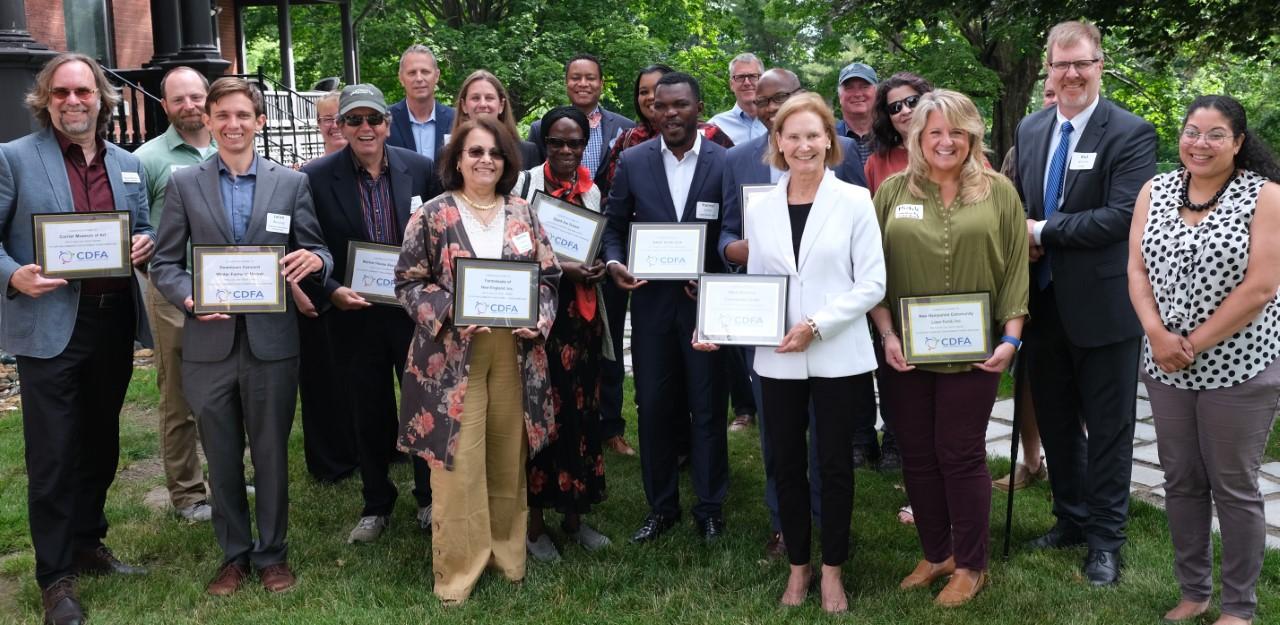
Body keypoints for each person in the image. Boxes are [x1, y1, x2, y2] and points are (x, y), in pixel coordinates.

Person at [700, 92, 885, 612]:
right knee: (783, 463)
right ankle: (798, 568)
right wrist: (721, 326)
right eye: (793, 136)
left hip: (836, 353)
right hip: (776, 357)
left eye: (813, 135)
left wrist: (815, 325)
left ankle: (832, 572)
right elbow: (758, 286)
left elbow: (873, 283)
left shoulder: (854, 200)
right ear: (777, 142)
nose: (803, 145)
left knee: (833, 465)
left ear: (830, 140)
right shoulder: (761, 205)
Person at [151, 77, 333, 597]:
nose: (233, 125)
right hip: (208, 344)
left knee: (272, 451)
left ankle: (272, 554)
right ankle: (234, 555)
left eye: (243, 116)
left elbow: (318, 250)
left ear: (261, 122)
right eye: (222, 115)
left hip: (272, 344)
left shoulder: (290, 184)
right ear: (208, 120)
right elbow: (165, 262)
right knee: (222, 454)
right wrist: (190, 297)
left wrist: (315, 260)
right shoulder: (186, 183)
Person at [0, 52, 156, 625]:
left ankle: (89, 542)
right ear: (46, 99)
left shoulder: (127, 163)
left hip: (111, 321)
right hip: (49, 326)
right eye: (62, 93)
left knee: (100, 443)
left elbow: (141, 227)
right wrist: (12, 274)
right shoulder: (13, 159)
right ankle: (55, 577)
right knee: (54, 453)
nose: (73, 102)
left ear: (100, 98)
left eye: (83, 92)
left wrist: (145, 240)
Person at [870, 89, 1029, 607]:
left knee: (959, 454)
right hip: (904, 351)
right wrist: (888, 334)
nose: (945, 141)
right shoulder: (892, 192)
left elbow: (1014, 269)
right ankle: (936, 552)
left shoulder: (999, 192)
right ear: (916, 136)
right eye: (934, 131)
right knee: (917, 454)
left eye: (956, 132)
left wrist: (1011, 337)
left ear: (972, 136)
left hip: (976, 350)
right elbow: (872, 274)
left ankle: (971, 563)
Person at [1014, 20, 1157, 587]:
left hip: (1103, 309)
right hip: (1040, 303)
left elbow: (1124, 216)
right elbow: (1019, 204)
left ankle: (1105, 540)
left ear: (1100, 64)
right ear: (1049, 67)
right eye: (1061, 64)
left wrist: (1043, 231)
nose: (1071, 74)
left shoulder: (1130, 132)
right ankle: (1070, 519)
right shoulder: (1030, 129)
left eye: (1082, 63)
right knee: (1054, 420)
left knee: (1109, 427)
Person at [395, 117, 560, 604]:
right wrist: (448, 315)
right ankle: (458, 570)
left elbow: (548, 278)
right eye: (475, 152)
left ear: (508, 161)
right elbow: (407, 282)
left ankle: (508, 557)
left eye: (495, 153)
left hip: (514, 350)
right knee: (458, 461)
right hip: (451, 356)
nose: (485, 160)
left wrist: (539, 319)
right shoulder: (432, 214)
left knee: (509, 455)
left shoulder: (524, 213)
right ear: (457, 159)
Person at [1129, 95, 1280, 625]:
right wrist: (1156, 333)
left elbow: (1261, 286)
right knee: (1182, 479)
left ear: (1238, 143)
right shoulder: (1156, 189)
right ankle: (1194, 592)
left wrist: (1189, 340)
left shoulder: (1266, 197)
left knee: (1233, 485)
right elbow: (1136, 270)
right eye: (1193, 131)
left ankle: (1239, 606)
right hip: (1166, 364)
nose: (1201, 143)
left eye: (1216, 134)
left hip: (1239, 364)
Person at [300, 84, 442, 544]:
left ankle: (428, 498)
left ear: (388, 123)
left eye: (374, 119)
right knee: (367, 408)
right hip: (354, 311)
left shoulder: (420, 169)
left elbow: (440, 239)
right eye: (354, 120)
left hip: (413, 314)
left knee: (421, 405)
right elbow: (307, 243)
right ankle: (376, 502)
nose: (365, 128)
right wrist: (331, 289)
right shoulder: (316, 177)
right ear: (339, 125)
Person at [602, 72, 730, 544]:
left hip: (705, 306)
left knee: (709, 406)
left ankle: (710, 505)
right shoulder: (633, 161)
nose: (670, 113)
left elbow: (733, 231)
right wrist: (615, 263)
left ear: (698, 107)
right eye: (661, 106)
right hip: (652, 305)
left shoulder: (724, 161)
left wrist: (715, 275)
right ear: (651, 110)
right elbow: (614, 227)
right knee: (653, 406)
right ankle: (661, 507)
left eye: (680, 105)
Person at [514, 106, 612, 562]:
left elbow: (600, 243)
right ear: (544, 144)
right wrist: (561, 267)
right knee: (542, 421)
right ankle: (534, 525)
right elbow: (508, 254)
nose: (567, 151)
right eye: (557, 142)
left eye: (575, 143)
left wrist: (599, 267)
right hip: (543, 324)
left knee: (582, 419)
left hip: (583, 323)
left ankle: (575, 517)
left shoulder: (591, 190)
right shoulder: (524, 186)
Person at [133, 65, 218, 523]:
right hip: (173, 291)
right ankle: (187, 493)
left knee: (225, 390)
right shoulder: (147, 159)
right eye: (178, 99)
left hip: (228, 290)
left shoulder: (230, 144)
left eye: (195, 97)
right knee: (179, 396)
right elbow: (138, 224)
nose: (190, 106)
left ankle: (223, 475)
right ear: (164, 106)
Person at [992, 80, 1057, 493]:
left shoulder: (1104, 141)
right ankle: (1030, 462)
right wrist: (1022, 241)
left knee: (1077, 380)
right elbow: (1001, 205)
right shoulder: (1023, 147)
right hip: (1028, 276)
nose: (1054, 100)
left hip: (1077, 276)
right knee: (1028, 376)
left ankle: (1071, 458)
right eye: (1047, 93)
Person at [293, 89, 361, 485]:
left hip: (366, 287)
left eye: (342, 117)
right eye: (327, 119)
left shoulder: (372, 164)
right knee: (322, 377)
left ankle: (370, 445)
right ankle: (330, 461)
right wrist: (301, 288)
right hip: (320, 288)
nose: (335, 126)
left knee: (360, 376)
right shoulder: (304, 174)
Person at [527, 53, 634, 177]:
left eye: (590, 78)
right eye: (576, 78)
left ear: (601, 83)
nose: (583, 83)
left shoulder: (626, 127)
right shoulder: (540, 128)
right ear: (566, 82)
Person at [450, 70, 541, 171]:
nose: (483, 104)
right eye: (475, 98)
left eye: (489, 98)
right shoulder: (449, 152)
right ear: (464, 105)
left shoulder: (527, 152)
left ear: (501, 105)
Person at [864, 72, 934, 195]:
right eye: (895, 107)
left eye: (912, 101)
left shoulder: (949, 151)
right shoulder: (876, 163)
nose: (905, 111)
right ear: (888, 117)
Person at [388, 44, 456, 161]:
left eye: (425, 72)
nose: (419, 78)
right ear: (401, 78)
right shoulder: (385, 120)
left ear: (436, 76)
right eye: (412, 73)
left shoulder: (456, 119)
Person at [709, 52, 767, 145]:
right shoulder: (715, 126)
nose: (747, 83)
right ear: (731, 85)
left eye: (753, 76)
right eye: (740, 77)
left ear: (763, 81)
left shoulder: (779, 122)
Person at [834, 62, 878, 163]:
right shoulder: (827, 138)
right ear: (840, 96)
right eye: (849, 87)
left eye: (864, 87)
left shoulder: (892, 135)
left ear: (876, 92)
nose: (857, 94)